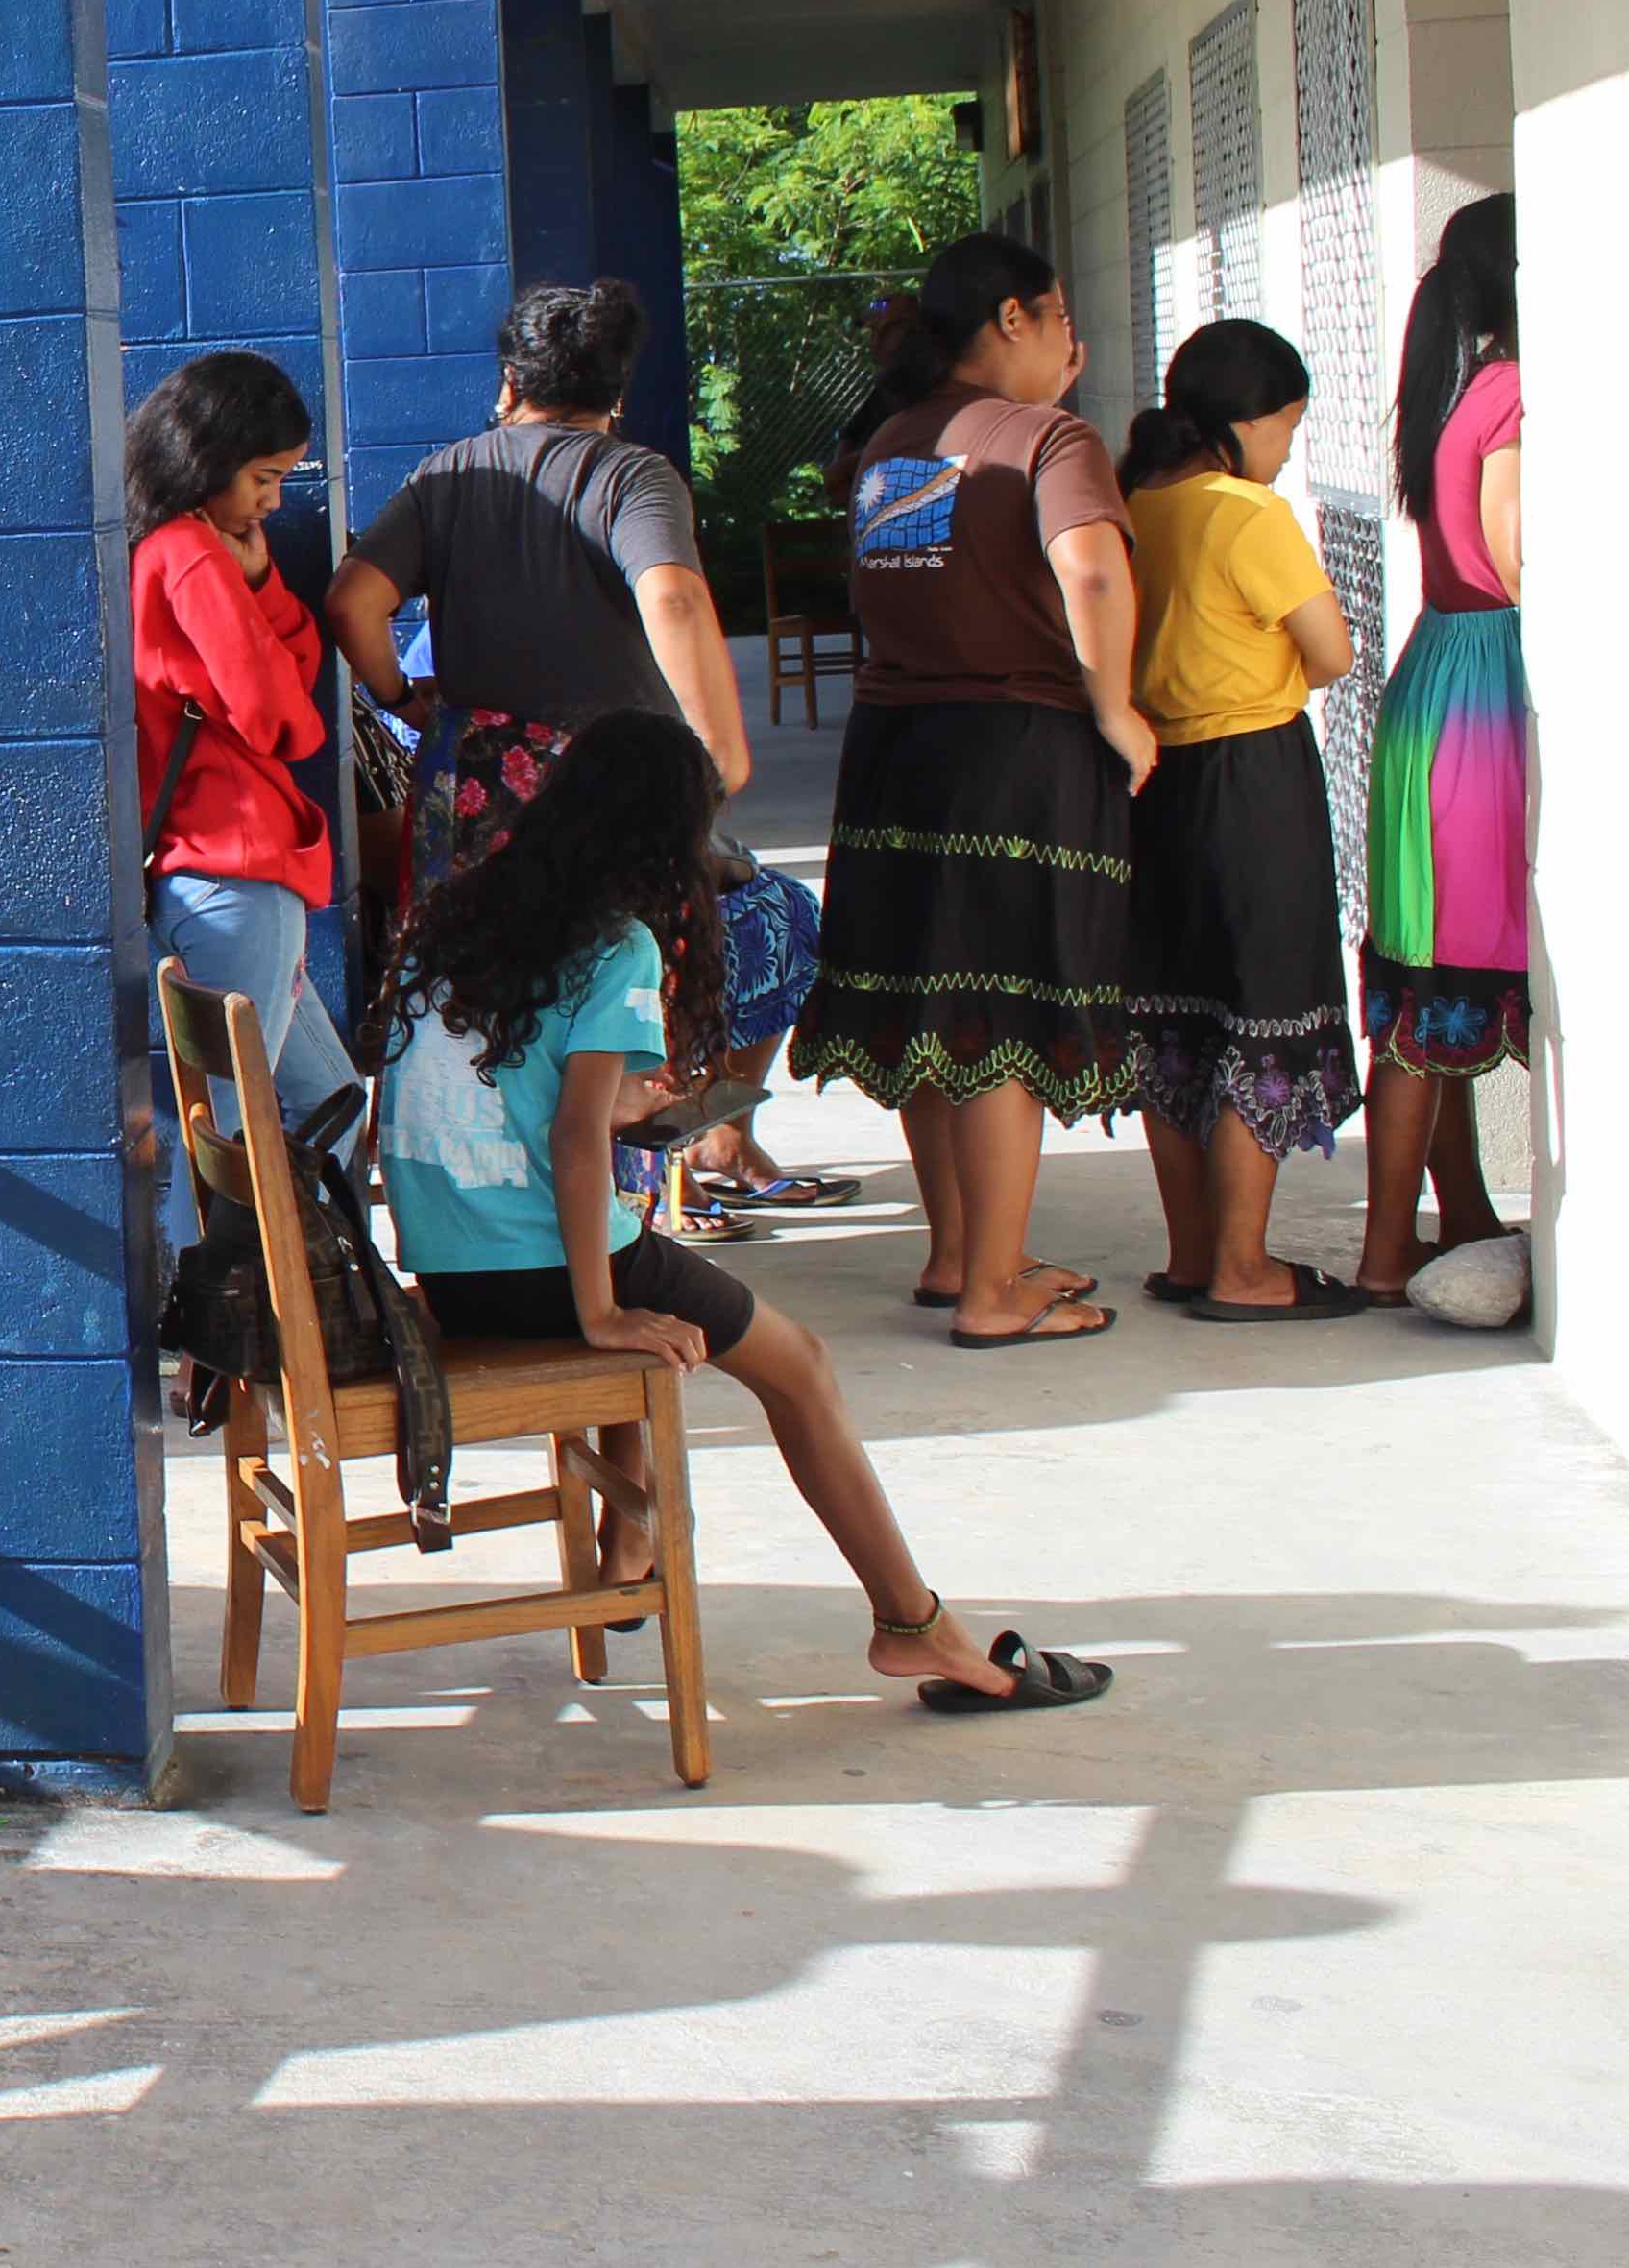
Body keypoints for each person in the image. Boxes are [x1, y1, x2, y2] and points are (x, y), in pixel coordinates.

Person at [370, 707, 1114, 1712]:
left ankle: (630, 1536)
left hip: (452, 1267)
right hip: (544, 1271)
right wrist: (598, 1309)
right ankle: (915, 1625)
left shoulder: (458, 914)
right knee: (797, 1367)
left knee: (661, 1280)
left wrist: (629, 1104)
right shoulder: (616, 944)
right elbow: (578, 1143)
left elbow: (492, 1097)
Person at [325, 278, 841, 1215]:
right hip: (611, 787)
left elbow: (354, 602)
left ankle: (474, 1209)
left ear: (509, 379)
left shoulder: (447, 477)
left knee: (472, 996)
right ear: (617, 392)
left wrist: (405, 696)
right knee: (645, 977)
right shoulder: (629, 477)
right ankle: (624, 1207)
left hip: (474, 789)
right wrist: (720, 750)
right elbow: (674, 597)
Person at [788, 232, 1147, 1350]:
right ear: (1010, 320)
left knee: (931, 1010)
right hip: (1011, 751)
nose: (1071, 347)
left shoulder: (892, 443)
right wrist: (1119, 705)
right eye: (1056, 321)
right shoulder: (1051, 437)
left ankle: (956, 1256)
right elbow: (1090, 568)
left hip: (897, 749)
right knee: (1000, 1010)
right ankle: (996, 1289)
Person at [1118, 319, 1368, 1319]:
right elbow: (1335, 653)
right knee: (1265, 1014)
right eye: (1288, 427)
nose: (1289, 448)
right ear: (1246, 422)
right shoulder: (1246, 513)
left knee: (1177, 1019)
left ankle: (1190, 1256)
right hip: (1255, 775)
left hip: (1154, 783)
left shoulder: (1140, 505)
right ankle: (1244, 1267)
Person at [1355, 194, 1529, 1303]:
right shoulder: (1515, 392)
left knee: (1427, 961)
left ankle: (1451, 1217)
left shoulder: (1455, 389)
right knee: (1446, 976)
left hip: (1435, 683)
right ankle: (1384, 1251)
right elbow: (1520, 560)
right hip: (1490, 694)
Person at [132, 352, 353, 1153]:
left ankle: (298, 1277)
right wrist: (250, 594)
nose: (272, 500)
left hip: (209, 871)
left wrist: (259, 585)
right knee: (231, 1134)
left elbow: (285, 677)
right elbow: (279, 717)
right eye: (264, 476)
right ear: (207, 458)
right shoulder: (191, 552)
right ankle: (227, 1277)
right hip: (237, 866)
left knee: (331, 1101)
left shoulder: (169, 546)